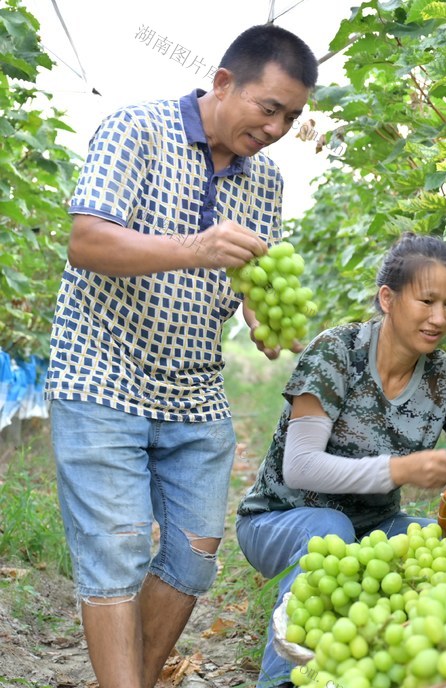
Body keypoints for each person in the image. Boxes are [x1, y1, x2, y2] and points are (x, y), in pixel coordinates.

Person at [44, 25, 318, 688]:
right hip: (100, 372)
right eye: (269, 108)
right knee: (117, 552)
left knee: (194, 560)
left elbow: (253, 279)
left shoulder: (267, 182)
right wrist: (195, 248)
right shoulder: (135, 130)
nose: (278, 127)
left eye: (293, 116)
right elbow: (87, 241)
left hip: (194, 390)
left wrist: (262, 318)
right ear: (223, 83)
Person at [236, 233, 446, 687]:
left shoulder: (445, 377)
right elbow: (300, 466)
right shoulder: (338, 353)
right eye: (427, 301)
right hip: (279, 519)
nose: (439, 318)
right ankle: (283, 681)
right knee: (326, 532)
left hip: (373, 528)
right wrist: (399, 470)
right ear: (387, 299)